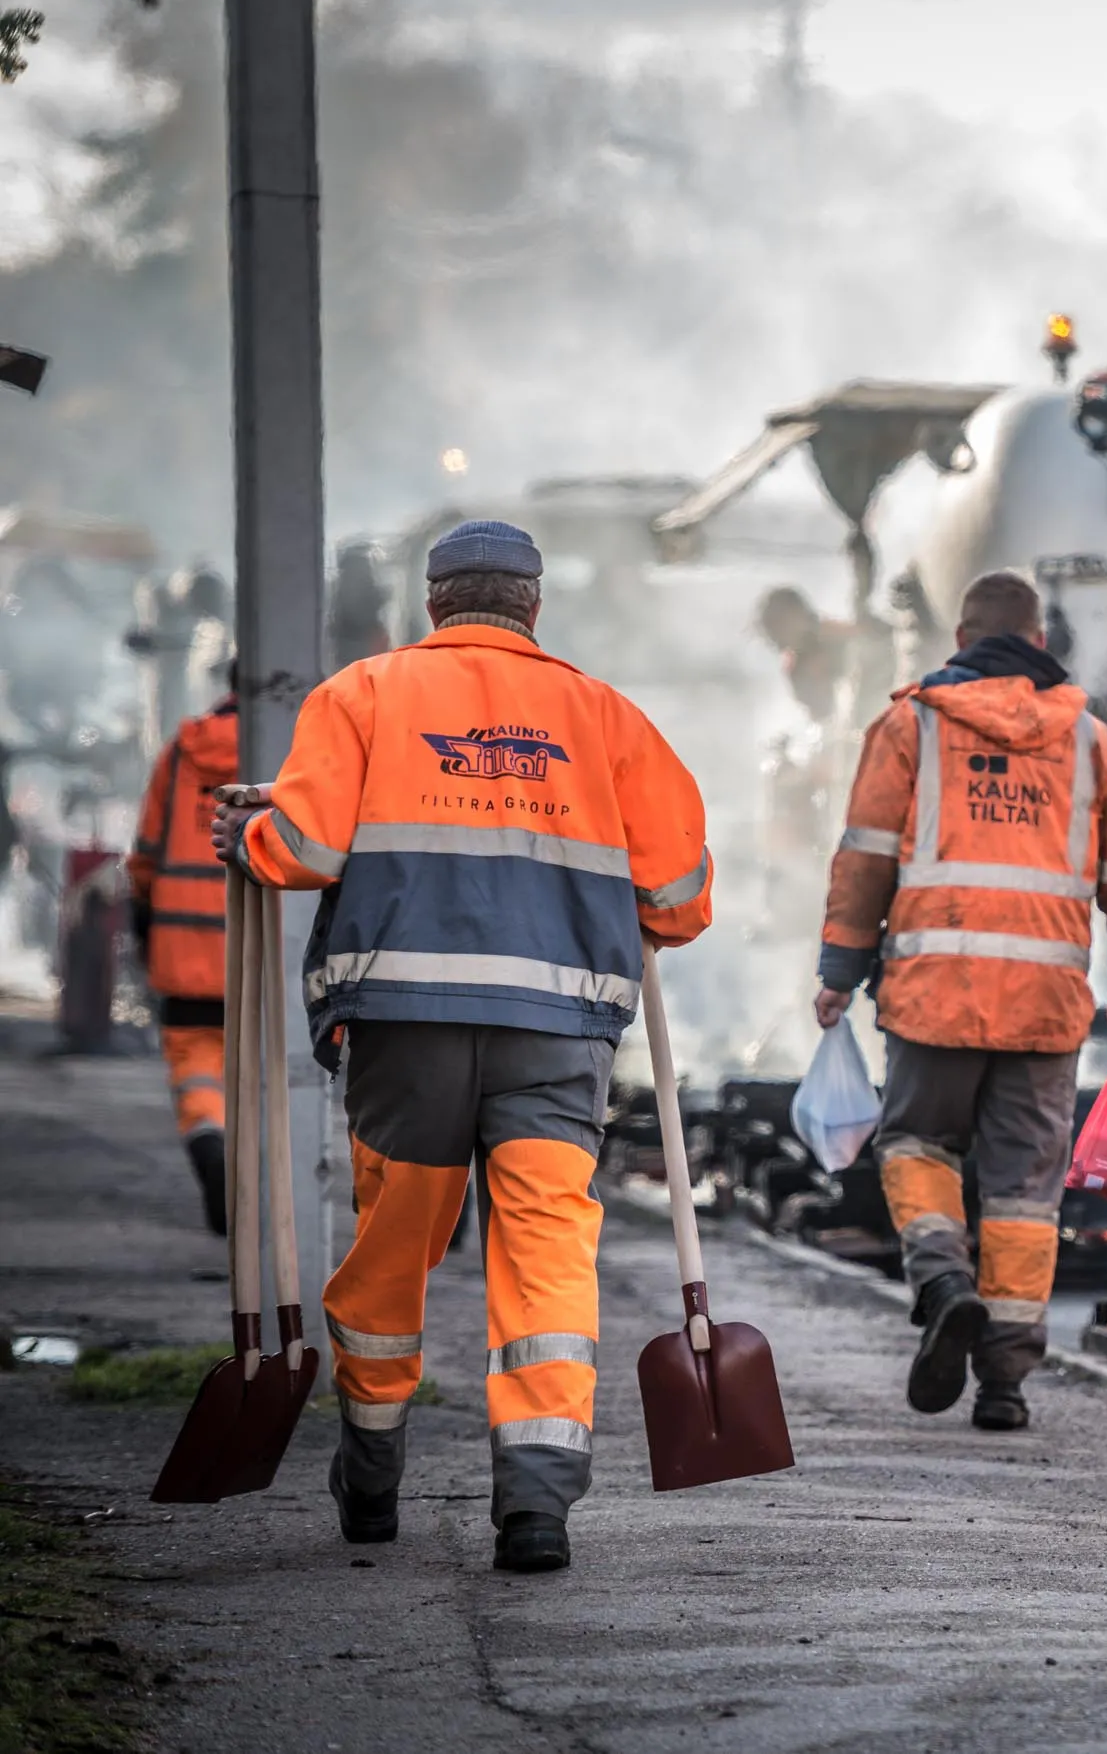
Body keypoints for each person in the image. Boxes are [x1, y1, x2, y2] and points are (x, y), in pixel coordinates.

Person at [217, 519, 713, 1575]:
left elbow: (302, 847)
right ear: (535, 605)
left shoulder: (360, 695)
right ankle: (535, 1502)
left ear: (432, 602)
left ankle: (372, 1468)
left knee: (393, 1244)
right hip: (558, 1036)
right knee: (543, 1256)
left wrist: (248, 839)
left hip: (407, 1027)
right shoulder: (605, 714)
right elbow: (678, 896)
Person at [815, 570, 1107, 1431]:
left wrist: (839, 971)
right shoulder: (1089, 741)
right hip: (1045, 1005)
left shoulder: (911, 724)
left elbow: (866, 859)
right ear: (1040, 640)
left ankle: (944, 1278)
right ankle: (1005, 1382)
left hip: (934, 996)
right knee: (1026, 1190)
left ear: (961, 637)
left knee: (917, 1140)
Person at [128, 686, 236, 1234]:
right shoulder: (297, 748)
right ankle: (258, 1183)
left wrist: (144, 921)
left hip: (183, 948)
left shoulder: (182, 750)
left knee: (196, 1067)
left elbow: (146, 849)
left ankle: (209, 1142)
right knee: (268, 1075)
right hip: (264, 956)